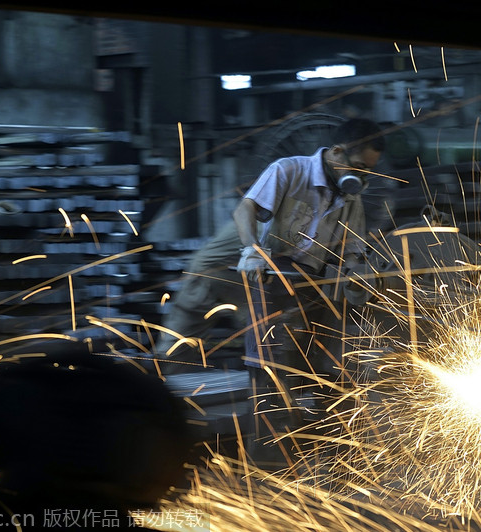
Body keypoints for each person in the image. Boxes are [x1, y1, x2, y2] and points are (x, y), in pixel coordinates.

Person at [157, 118, 385, 387]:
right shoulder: (289, 170)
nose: (361, 177)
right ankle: (166, 377)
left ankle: (273, 395)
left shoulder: (350, 199)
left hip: (282, 273)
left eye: (368, 171)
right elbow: (246, 209)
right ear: (337, 152)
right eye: (358, 167)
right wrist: (251, 250)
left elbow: (352, 249)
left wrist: (356, 272)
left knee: (275, 340)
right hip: (239, 256)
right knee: (198, 296)